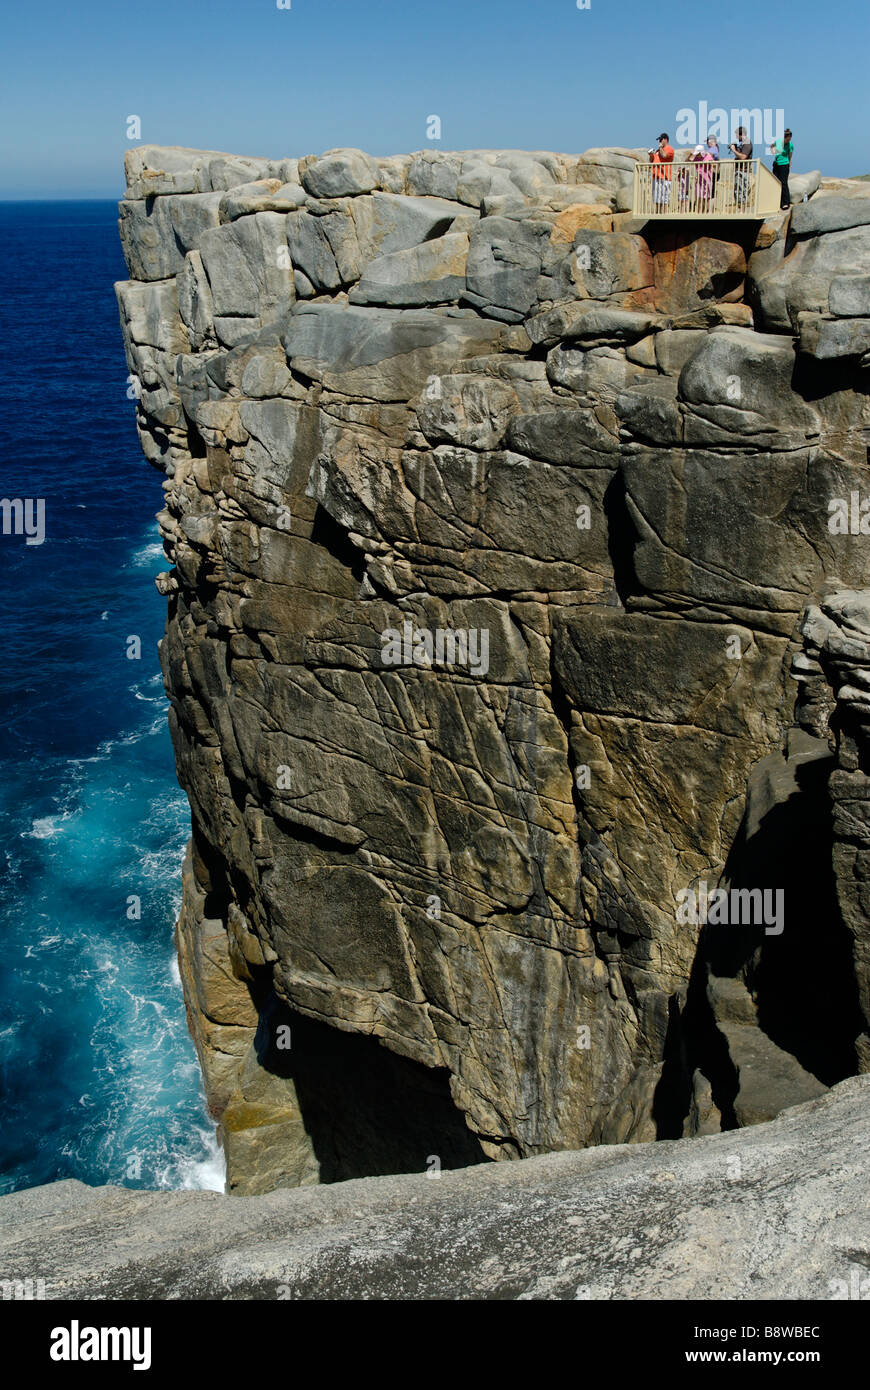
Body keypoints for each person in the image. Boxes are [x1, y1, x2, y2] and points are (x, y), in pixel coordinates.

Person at [729, 125, 753, 207]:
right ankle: (740, 207)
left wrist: (734, 150)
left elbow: (743, 157)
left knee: (741, 190)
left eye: (737, 135)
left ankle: (742, 209)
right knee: (738, 190)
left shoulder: (747, 143)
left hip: (743, 171)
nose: (736, 137)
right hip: (740, 170)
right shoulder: (743, 144)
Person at [769, 128, 794, 209]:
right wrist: (773, 151)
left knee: (783, 183)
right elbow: (772, 146)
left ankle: (786, 203)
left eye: (790, 139)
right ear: (785, 137)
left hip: (784, 164)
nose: (789, 140)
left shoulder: (790, 145)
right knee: (776, 182)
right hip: (776, 164)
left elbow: (790, 154)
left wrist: (790, 162)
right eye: (788, 139)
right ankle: (777, 202)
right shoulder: (779, 141)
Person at [648, 132, 674, 208]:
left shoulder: (669, 148)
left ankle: (664, 217)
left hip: (665, 178)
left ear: (665, 139)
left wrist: (660, 148)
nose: (659, 142)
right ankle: (658, 216)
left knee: (664, 200)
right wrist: (651, 155)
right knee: (657, 200)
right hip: (656, 177)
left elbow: (664, 155)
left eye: (660, 140)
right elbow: (651, 161)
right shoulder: (658, 150)